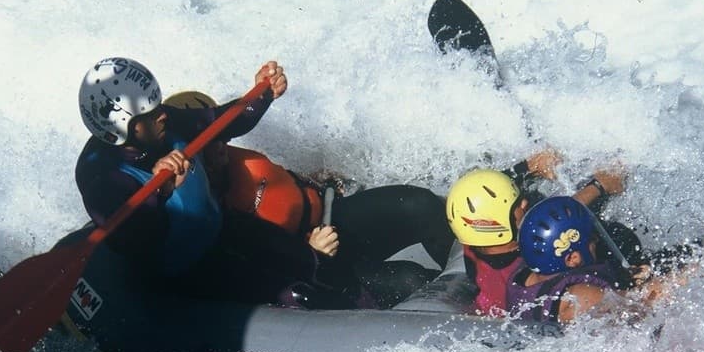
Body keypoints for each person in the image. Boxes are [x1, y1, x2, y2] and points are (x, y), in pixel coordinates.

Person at [75, 56, 332, 305]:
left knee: (310, 262)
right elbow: (132, 241)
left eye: (159, 106)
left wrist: (261, 96)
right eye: (149, 114)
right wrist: (160, 193)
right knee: (298, 296)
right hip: (184, 269)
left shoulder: (165, 123)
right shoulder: (101, 174)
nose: (162, 115)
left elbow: (223, 122)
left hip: (221, 226)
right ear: (120, 129)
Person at [163, 90, 456, 307]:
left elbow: (279, 183)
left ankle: (484, 279)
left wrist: (313, 179)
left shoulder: (232, 159)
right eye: (208, 145)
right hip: (316, 269)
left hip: (332, 218)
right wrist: (310, 252)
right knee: (412, 280)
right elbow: (253, 271)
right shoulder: (207, 214)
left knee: (421, 205)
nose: (220, 147)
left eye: (221, 137)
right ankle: (455, 317)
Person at [444, 161, 630, 316]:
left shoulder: (473, 242)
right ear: (497, 223)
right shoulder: (527, 263)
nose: (525, 203)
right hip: (534, 318)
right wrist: (597, 186)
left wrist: (528, 166)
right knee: (620, 237)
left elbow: (476, 191)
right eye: (516, 204)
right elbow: (555, 222)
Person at [509, 196, 633, 323]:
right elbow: (645, 308)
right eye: (591, 239)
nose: (596, 239)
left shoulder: (521, 276)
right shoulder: (581, 297)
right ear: (573, 258)